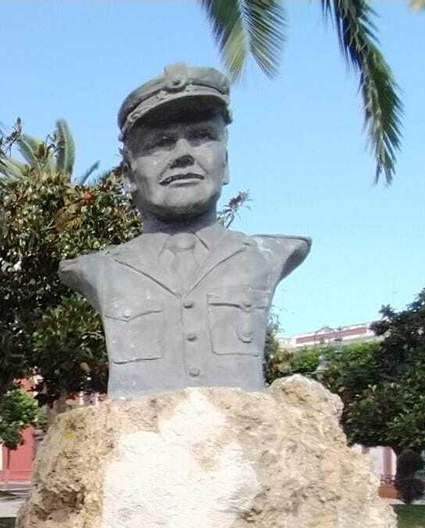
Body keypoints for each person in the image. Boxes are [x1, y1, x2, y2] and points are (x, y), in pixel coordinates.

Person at [58, 63, 310, 397]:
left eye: (202, 136)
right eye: (160, 143)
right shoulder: (99, 270)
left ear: (226, 162)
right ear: (128, 175)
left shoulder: (269, 256)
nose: (183, 155)